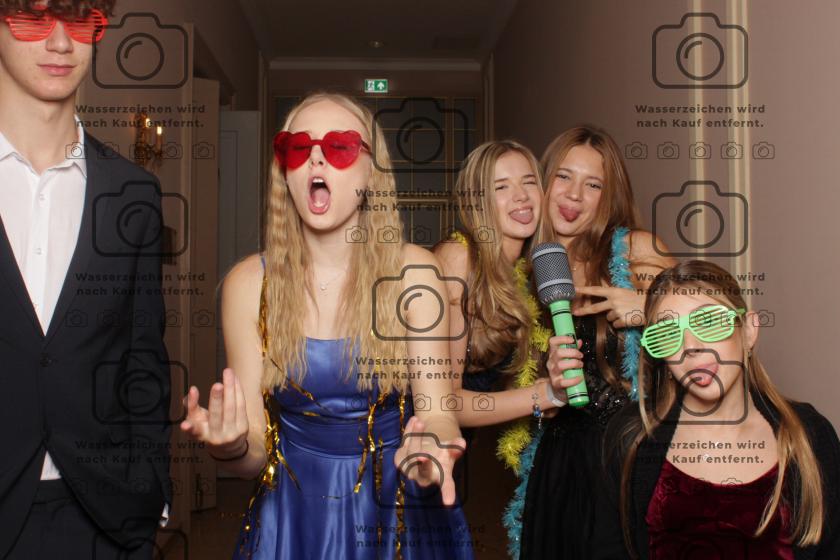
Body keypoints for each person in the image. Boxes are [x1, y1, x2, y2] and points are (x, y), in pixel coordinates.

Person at [180, 92, 474, 559]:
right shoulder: (248, 285)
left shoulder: (415, 274)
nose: (315, 157)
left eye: (339, 146)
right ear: (285, 172)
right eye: (298, 147)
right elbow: (253, 454)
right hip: (294, 515)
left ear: (371, 172)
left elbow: (437, 409)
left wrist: (431, 450)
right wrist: (230, 445)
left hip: (396, 509)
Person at [0, 1, 172, 558]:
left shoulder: (133, 193)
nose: (60, 42)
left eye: (79, 21)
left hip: (106, 518)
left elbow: (143, 358)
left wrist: (150, 494)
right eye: (33, 17)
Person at [594, 260, 840, 559]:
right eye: (668, 334)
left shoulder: (809, 434)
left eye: (709, 322)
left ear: (748, 331)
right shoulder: (632, 437)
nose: (691, 347)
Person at [515, 125, 675, 558]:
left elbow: (712, 332)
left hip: (632, 456)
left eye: (593, 184)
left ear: (609, 196)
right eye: (563, 177)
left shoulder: (636, 251)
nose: (574, 195)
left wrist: (647, 306)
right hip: (558, 462)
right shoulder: (520, 272)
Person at [433, 140, 580, 458]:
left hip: (455, 449)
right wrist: (545, 395)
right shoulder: (459, 258)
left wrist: (548, 384)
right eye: (501, 187)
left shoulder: (525, 275)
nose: (521, 196)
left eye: (529, 182)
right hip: (406, 444)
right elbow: (443, 402)